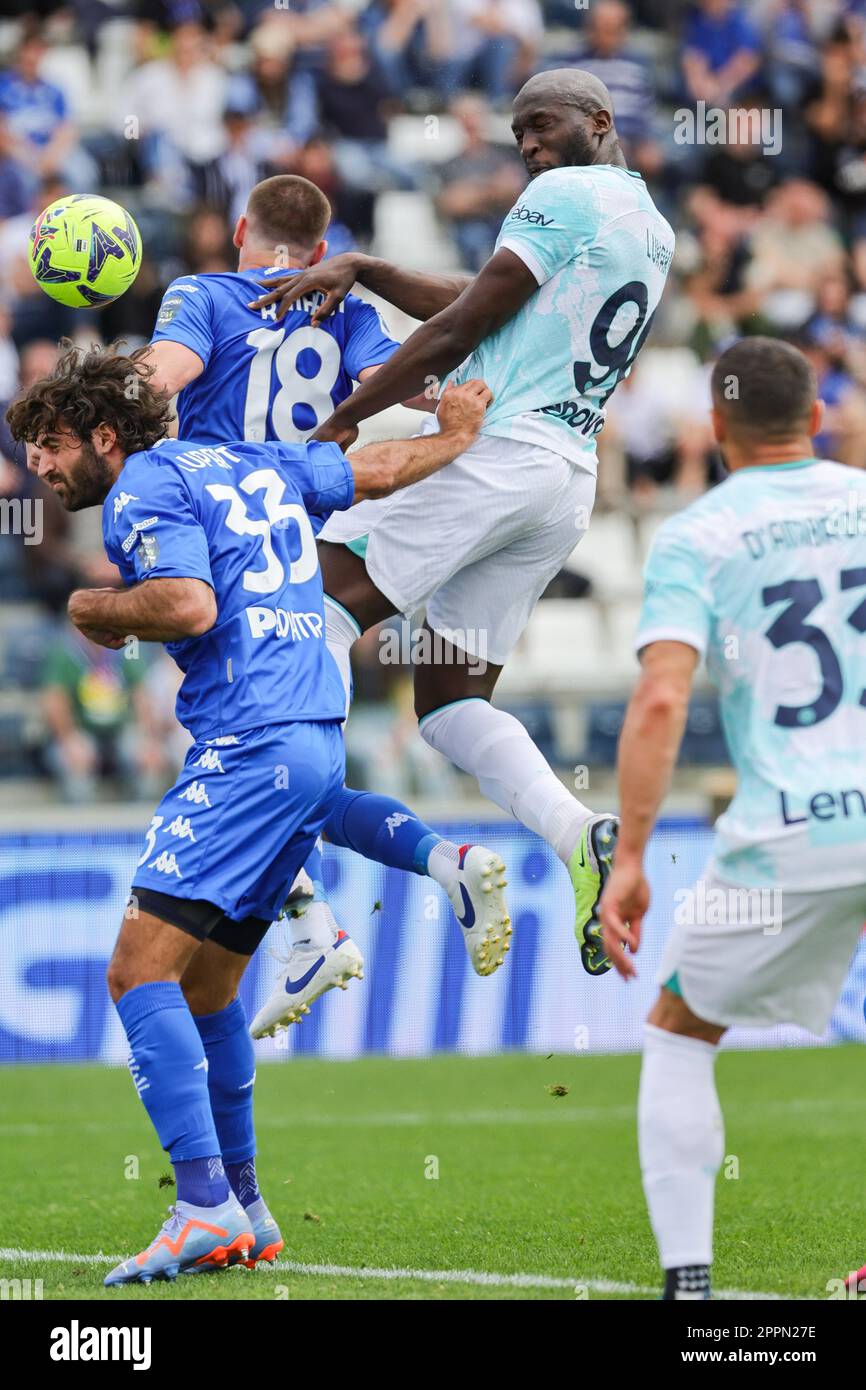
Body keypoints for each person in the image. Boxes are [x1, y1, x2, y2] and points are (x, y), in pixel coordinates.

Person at [7, 343, 493, 1285]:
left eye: (52, 443)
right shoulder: (246, 458)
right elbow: (370, 470)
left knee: (134, 972)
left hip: (247, 745)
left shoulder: (143, 489)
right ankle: (246, 1208)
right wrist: (457, 436)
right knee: (208, 992)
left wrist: (96, 607)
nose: (38, 465)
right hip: (316, 732)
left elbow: (187, 606)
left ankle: (199, 1205)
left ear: (106, 436)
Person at [251, 68, 676, 975]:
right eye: (518, 134)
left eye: (542, 125)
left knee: (310, 603)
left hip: (493, 452)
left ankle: (299, 881)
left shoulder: (562, 193)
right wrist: (367, 269)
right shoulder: (648, 223)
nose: (527, 145)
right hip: (564, 478)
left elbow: (456, 335)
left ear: (598, 121)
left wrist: (337, 429)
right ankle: (579, 833)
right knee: (448, 700)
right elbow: (486, 302)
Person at [145, 172, 513, 1035]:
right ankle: (330, 914)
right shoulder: (345, 311)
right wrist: (460, 403)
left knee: (241, 752)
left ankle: (343, 911)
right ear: (319, 254)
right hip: (299, 550)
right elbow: (406, 386)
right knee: (278, 763)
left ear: (242, 230)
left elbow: (167, 374)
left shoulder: (201, 293)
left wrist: (102, 390)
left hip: (218, 544)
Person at [599, 336, 866, 1300]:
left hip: (791, 829)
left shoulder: (698, 534)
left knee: (678, 1031)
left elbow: (662, 702)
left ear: (715, 430)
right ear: (820, 417)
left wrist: (629, 856)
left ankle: (691, 1290)